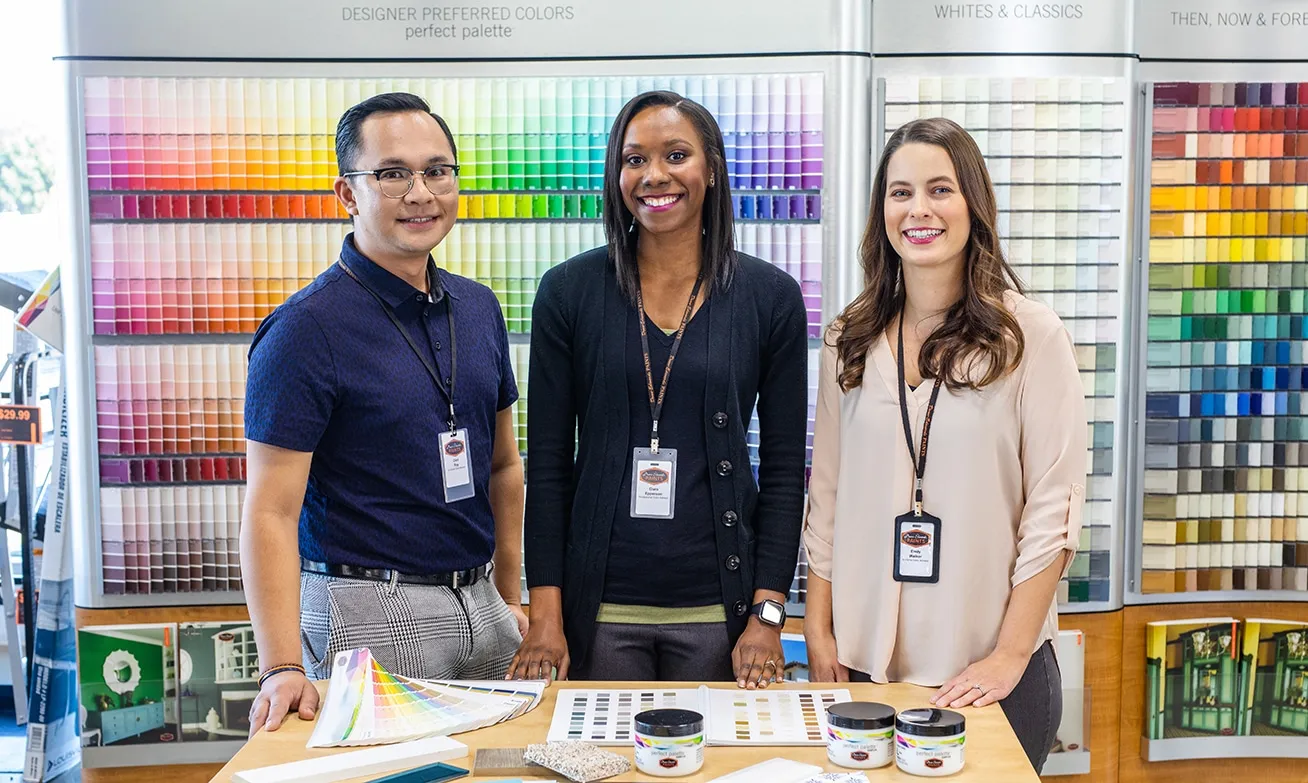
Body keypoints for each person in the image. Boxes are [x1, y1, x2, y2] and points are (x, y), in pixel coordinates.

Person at [801, 117, 1086, 773]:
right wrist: (819, 627)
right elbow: (828, 495)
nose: (918, 209)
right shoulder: (849, 338)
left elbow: (1055, 510)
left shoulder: (1030, 337)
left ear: (973, 206)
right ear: (881, 211)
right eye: (900, 192)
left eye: (939, 189)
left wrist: (1010, 655)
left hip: (985, 674)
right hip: (864, 666)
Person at [240, 92, 528, 735]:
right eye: (393, 173)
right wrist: (280, 664)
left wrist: (510, 597)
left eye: (438, 170)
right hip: (366, 604)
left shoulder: (479, 309)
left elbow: (505, 468)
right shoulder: (304, 331)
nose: (421, 192)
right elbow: (270, 510)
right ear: (348, 193)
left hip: (482, 602)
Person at [507, 91, 809, 686]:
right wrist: (546, 615)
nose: (654, 176)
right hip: (598, 613)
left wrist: (768, 617)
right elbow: (546, 467)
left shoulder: (768, 298)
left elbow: (781, 471)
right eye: (634, 159)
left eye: (676, 155)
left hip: (722, 618)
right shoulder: (568, 293)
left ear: (712, 168)